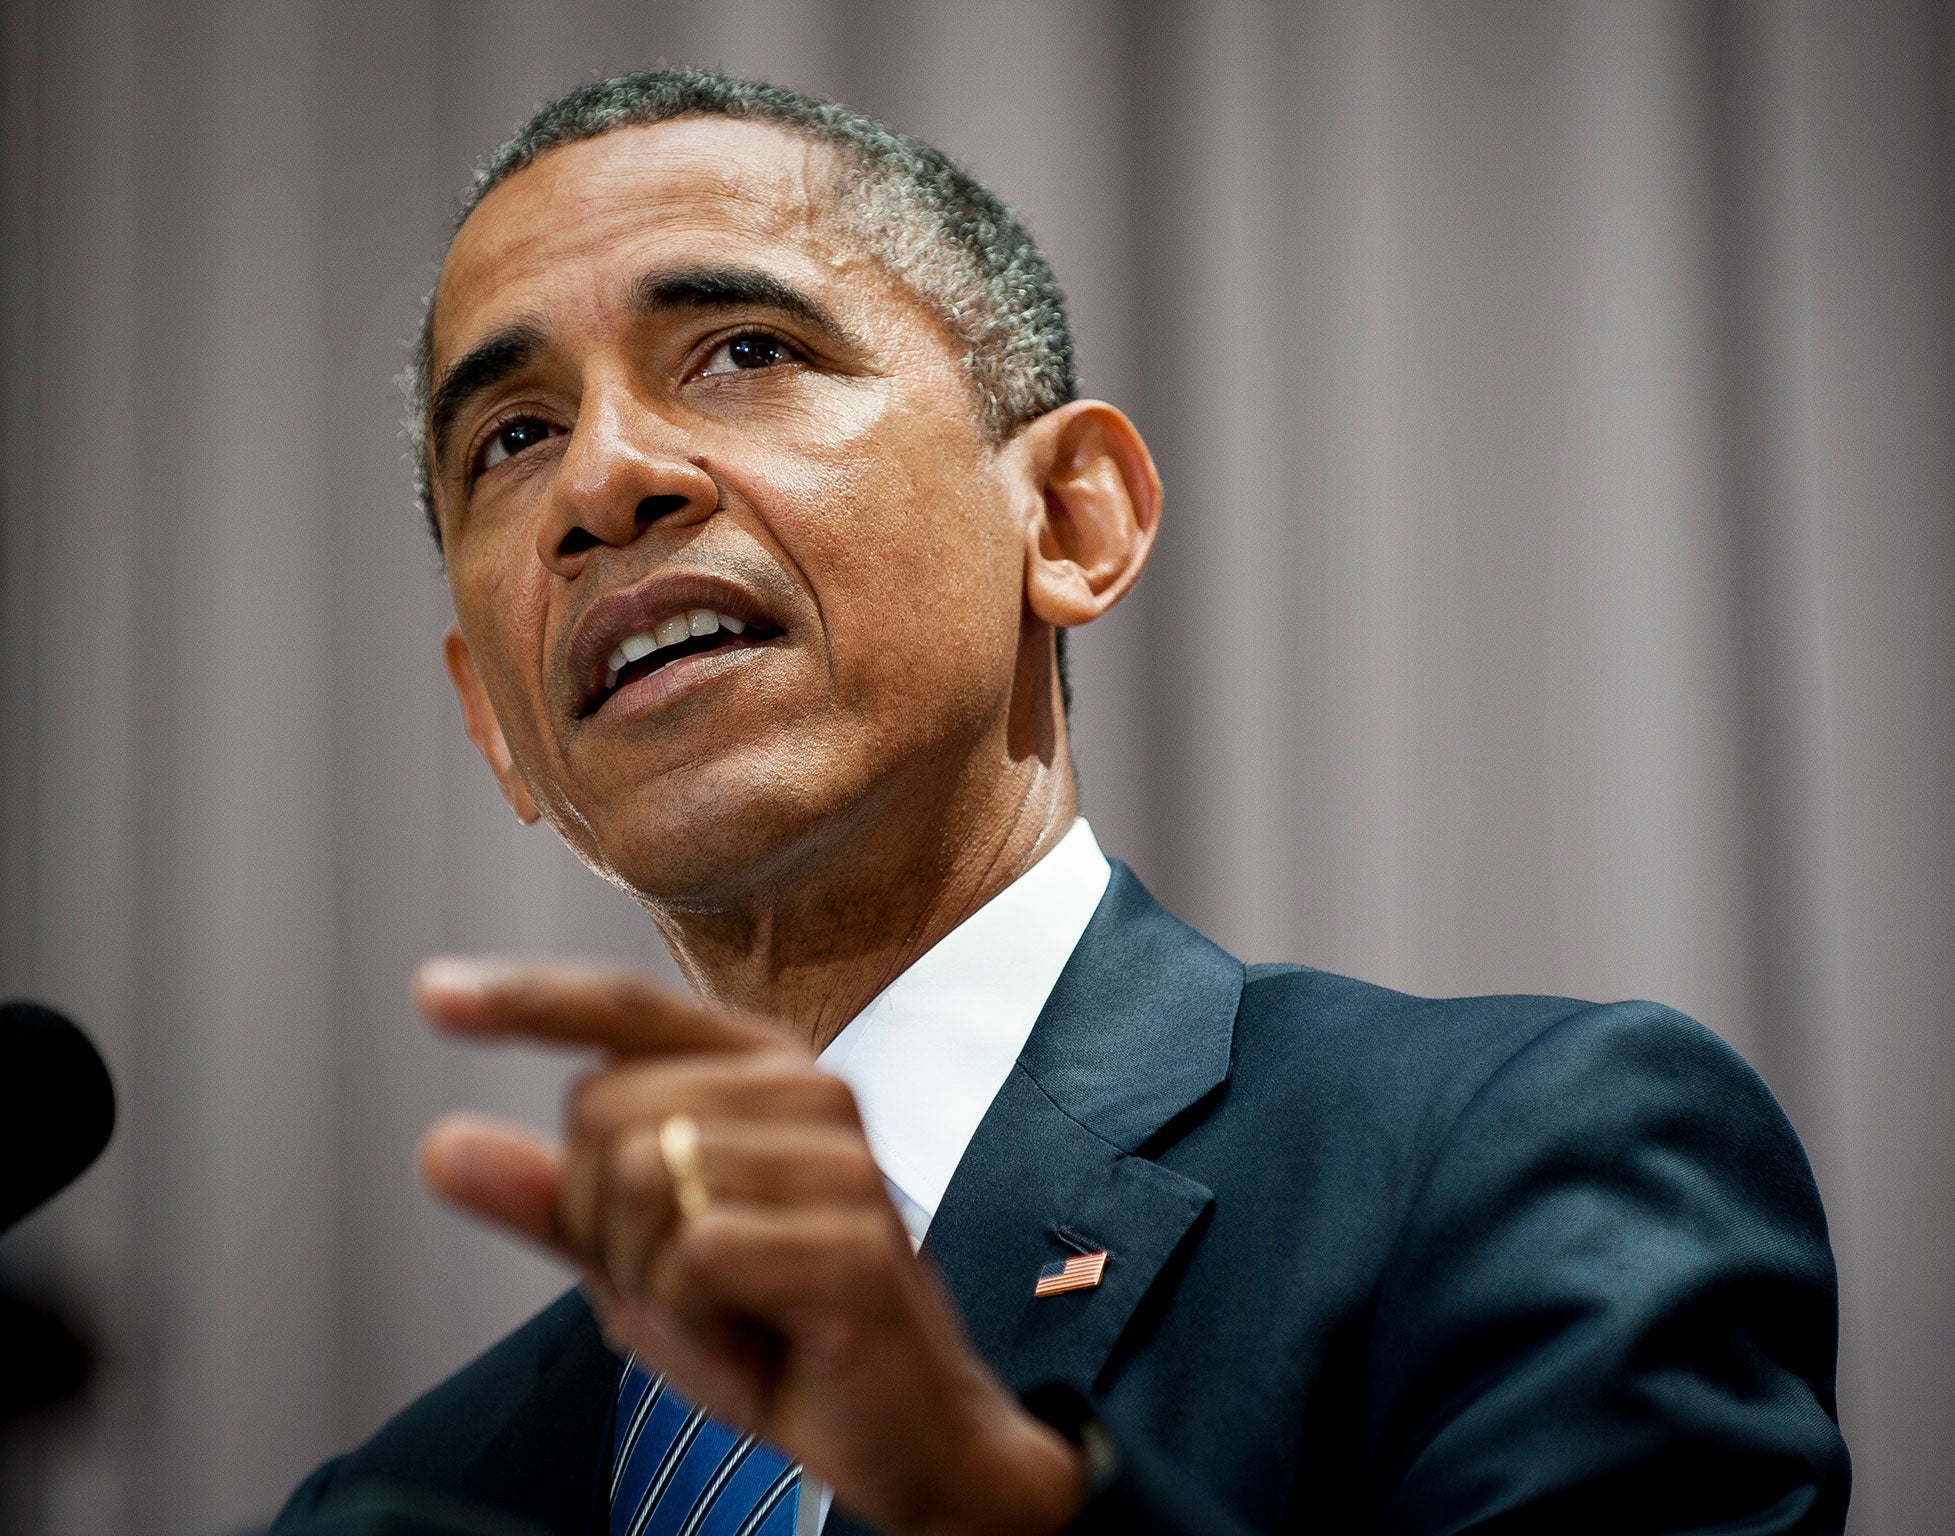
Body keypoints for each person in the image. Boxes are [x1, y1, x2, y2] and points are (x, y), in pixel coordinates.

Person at [271, 69, 1850, 1536]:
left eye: (746, 351)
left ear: (1074, 519)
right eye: (513, 436)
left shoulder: (1517, 1163)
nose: (604, 481)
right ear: (495, 722)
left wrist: (989, 1505)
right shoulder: (407, 1496)